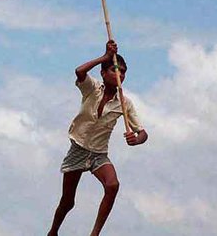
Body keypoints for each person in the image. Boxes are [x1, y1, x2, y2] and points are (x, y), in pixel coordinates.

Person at [47, 40, 148, 236]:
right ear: (103, 73)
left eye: (123, 72)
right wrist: (104, 57)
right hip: (78, 148)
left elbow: (142, 132)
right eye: (114, 70)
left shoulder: (125, 103)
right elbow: (79, 71)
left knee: (113, 185)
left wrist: (137, 139)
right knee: (68, 202)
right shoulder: (92, 88)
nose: (120, 75)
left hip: (99, 153)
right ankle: (53, 231)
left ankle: (94, 234)